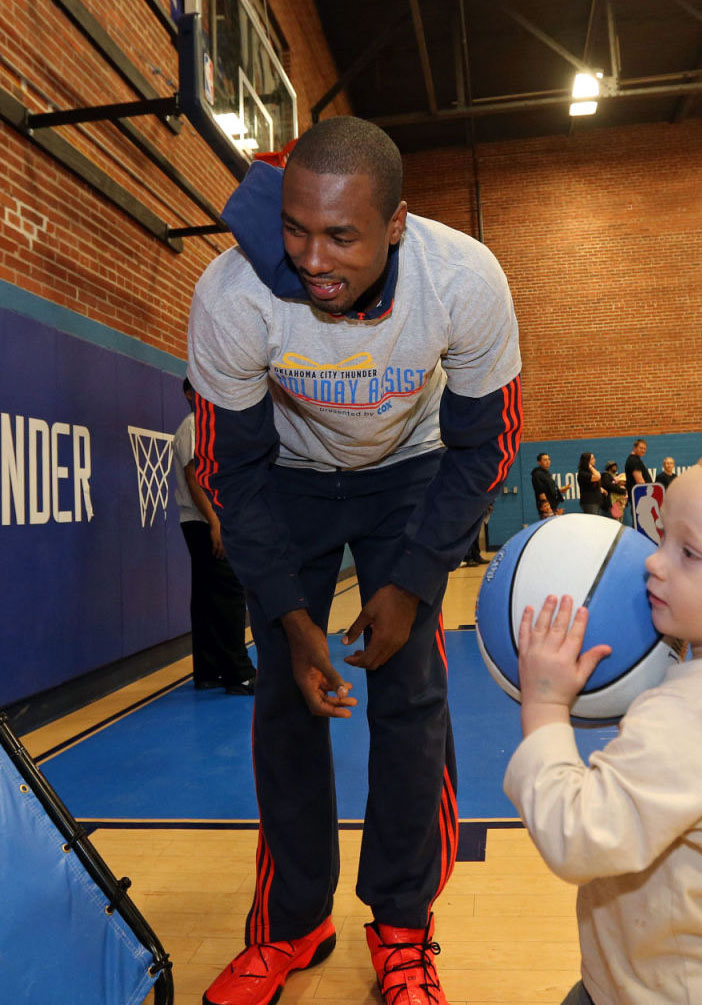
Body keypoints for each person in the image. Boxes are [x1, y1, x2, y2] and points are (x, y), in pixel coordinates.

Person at [187, 116, 522, 1005]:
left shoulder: (463, 281)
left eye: (342, 235)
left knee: (411, 690)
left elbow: (487, 446)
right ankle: (292, 922)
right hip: (290, 476)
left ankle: (405, 930)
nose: (312, 257)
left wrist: (413, 584)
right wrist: (295, 625)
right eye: (296, 227)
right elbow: (234, 472)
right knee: (285, 696)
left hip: (409, 470)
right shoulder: (234, 296)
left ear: (397, 223)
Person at [503, 464, 702, 1004]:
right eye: (662, 537)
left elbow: (579, 836)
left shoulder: (685, 719)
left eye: (691, 554)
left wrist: (545, 707)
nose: (654, 563)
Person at [172, 378, 256, 695]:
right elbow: (194, 478)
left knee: (208, 597)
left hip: (203, 521)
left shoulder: (204, 424)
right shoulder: (194, 425)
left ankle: (209, 671)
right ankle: (239, 673)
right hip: (205, 521)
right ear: (189, 395)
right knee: (228, 593)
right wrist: (216, 522)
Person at [531, 452, 569, 519]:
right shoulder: (537, 474)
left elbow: (548, 489)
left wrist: (560, 490)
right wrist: (548, 509)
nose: (548, 461)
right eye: (545, 460)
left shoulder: (546, 473)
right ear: (539, 462)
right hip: (546, 508)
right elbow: (540, 492)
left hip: (552, 505)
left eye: (548, 459)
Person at [624, 438, 652, 503]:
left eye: (644, 449)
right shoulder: (634, 461)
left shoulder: (635, 459)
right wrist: (648, 496)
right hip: (640, 498)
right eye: (641, 448)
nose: (643, 450)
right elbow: (640, 482)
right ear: (635, 448)